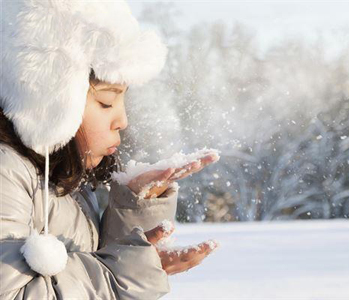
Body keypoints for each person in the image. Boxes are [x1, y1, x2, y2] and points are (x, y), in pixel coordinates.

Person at [0, 0, 218, 299]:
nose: (122, 121)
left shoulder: (63, 183)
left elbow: (95, 261)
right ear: (47, 100)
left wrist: (134, 208)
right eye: (106, 102)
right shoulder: (6, 173)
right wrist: (124, 276)